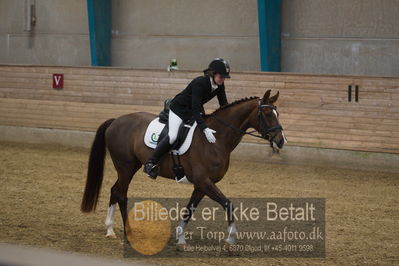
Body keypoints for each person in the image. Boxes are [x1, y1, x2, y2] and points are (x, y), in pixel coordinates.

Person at [144, 58, 231, 179]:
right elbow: (196, 107)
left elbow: (224, 106)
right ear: (213, 73)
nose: (223, 79)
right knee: (173, 135)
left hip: (192, 111)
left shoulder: (219, 86)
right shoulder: (200, 82)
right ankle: (151, 163)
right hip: (178, 109)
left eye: (224, 77)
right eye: (221, 76)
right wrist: (205, 128)